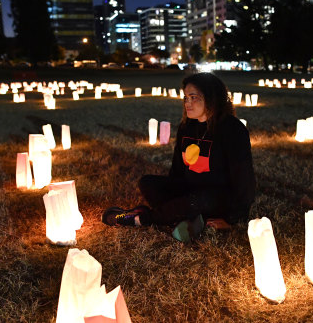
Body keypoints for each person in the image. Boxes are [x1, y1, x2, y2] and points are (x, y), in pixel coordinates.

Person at [102, 72, 256, 241]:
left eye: (193, 97)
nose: (187, 103)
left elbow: (244, 180)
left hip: (217, 197)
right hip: (190, 189)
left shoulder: (233, 130)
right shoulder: (187, 127)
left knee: (195, 201)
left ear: (212, 98)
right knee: (147, 183)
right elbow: (177, 169)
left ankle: (141, 218)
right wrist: (171, 193)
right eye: (185, 98)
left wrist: (233, 220)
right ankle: (186, 217)